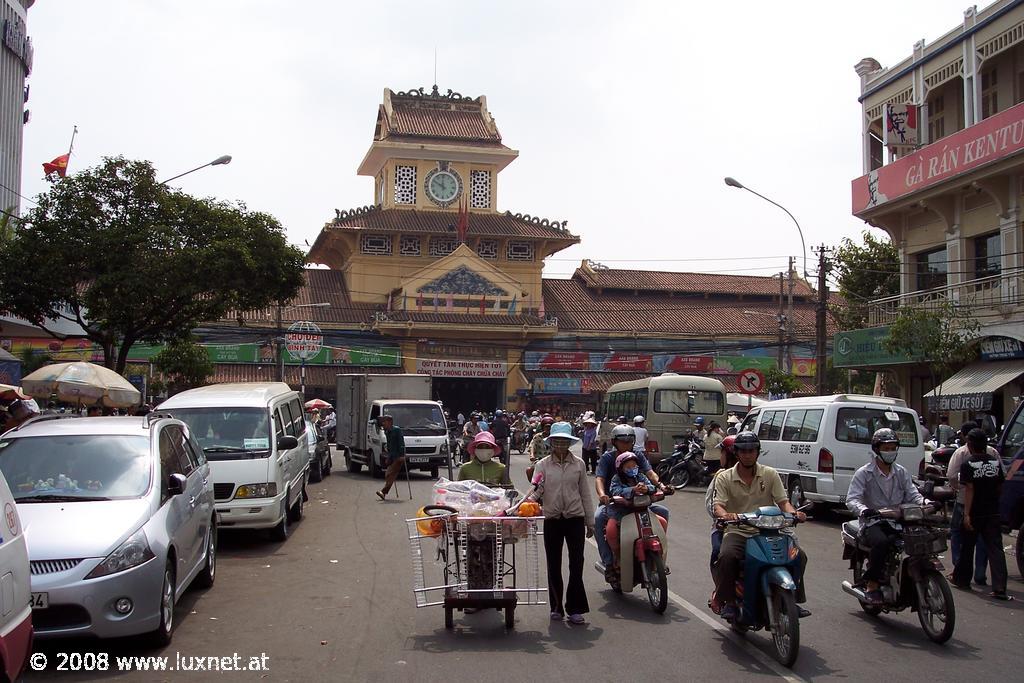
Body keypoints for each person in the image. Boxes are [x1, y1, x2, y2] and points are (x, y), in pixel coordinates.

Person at [712, 431, 809, 621]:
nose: (748, 454)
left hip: (768, 530)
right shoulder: (725, 477)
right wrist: (726, 515)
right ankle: (729, 602)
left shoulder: (769, 474)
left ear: (758, 452)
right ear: (737, 453)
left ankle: (792, 599)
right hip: (738, 531)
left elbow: (783, 502)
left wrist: (794, 513)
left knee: (799, 556)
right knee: (726, 556)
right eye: (744, 450)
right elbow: (718, 505)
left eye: (752, 450)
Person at [846, 428, 926, 604]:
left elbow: (913, 494)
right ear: (876, 449)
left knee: (921, 538)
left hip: (899, 520)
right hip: (873, 523)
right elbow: (852, 499)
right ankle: (872, 584)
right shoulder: (864, 473)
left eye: (893, 448)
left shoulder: (902, 472)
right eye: (886, 448)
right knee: (882, 543)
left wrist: (925, 503)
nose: (890, 452)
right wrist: (864, 510)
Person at [525, 421, 594, 625]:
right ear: (552, 443)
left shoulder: (579, 464)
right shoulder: (543, 464)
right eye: (558, 441)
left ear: (570, 442)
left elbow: (585, 494)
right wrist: (526, 505)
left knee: (576, 563)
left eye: (565, 441)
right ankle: (556, 606)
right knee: (553, 564)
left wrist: (590, 522)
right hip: (552, 519)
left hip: (574, 518)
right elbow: (536, 490)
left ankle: (574, 608)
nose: (561, 445)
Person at [594, 424, 672, 581]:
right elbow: (600, 479)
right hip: (615, 503)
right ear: (615, 442)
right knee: (598, 519)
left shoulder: (637, 457)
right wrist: (603, 495)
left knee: (663, 512)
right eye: (623, 441)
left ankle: (658, 556)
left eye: (629, 441)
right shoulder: (608, 459)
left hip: (640, 503)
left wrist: (661, 487)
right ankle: (609, 562)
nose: (626, 444)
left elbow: (650, 473)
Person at [952, 429, 1011, 600]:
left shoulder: (968, 464)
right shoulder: (995, 463)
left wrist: (967, 515)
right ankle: (1000, 588)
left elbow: (969, 489)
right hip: (992, 512)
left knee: (967, 547)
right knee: (996, 550)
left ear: (969, 445)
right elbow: (1000, 486)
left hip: (975, 512)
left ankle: (962, 579)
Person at [946, 421, 996, 585]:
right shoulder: (993, 453)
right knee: (982, 541)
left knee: (960, 537)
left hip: (964, 504)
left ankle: (959, 571)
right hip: (988, 505)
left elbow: (952, 476)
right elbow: (1002, 477)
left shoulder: (962, 454)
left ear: (967, 439)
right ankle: (979, 574)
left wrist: (957, 490)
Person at [375, 414, 406, 500]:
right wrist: (388, 457)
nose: (383, 423)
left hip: (398, 456)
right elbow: (389, 446)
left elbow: (401, 443)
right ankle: (384, 493)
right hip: (392, 456)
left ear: (389, 422)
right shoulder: (387, 431)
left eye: (385, 421)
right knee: (390, 474)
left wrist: (402, 455)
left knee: (390, 473)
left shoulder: (397, 430)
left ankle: (383, 492)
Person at [525, 416, 554, 483]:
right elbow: (532, 445)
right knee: (530, 470)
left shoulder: (554, 437)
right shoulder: (538, 436)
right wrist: (532, 455)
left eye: (549, 427)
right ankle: (535, 485)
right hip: (539, 460)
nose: (548, 428)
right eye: (546, 426)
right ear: (543, 427)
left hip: (552, 461)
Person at [489, 409, 511, 476]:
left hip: (495, 438)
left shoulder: (494, 422)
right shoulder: (504, 422)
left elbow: (490, 429)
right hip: (503, 439)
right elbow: (508, 429)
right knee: (505, 448)